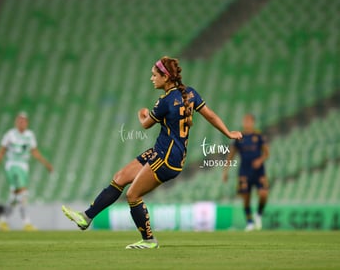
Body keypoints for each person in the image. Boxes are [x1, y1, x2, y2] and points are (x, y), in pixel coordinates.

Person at [62, 56, 242, 249]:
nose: (152, 78)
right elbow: (211, 115)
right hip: (163, 152)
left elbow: (146, 124)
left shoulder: (165, 101)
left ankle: (149, 240)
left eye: (154, 75)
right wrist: (228, 132)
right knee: (120, 177)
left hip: (166, 157)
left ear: (166, 77)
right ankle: (86, 217)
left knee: (132, 195)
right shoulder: (190, 93)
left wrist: (142, 114)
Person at [0, 111, 53, 231]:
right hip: (13, 166)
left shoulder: (30, 135)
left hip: (24, 167)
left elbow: (34, 151)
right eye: (19, 121)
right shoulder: (10, 135)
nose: (21, 123)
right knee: (23, 192)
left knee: (14, 195)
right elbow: (1, 152)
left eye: (23, 121)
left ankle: (2, 221)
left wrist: (46, 164)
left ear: (27, 123)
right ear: (16, 122)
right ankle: (27, 223)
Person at [222, 114, 269, 231]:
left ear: (253, 122)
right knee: (246, 197)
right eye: (245, 121)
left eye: (249, 121)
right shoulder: (239, 137)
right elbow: (231, 155)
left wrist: (260, 160)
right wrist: (225, 171)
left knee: (263, 194)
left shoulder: (258, 136)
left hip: (259, 171)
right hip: (244, 171)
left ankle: (258, 214)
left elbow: (267, 153)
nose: (247, 123)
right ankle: (249, 222)